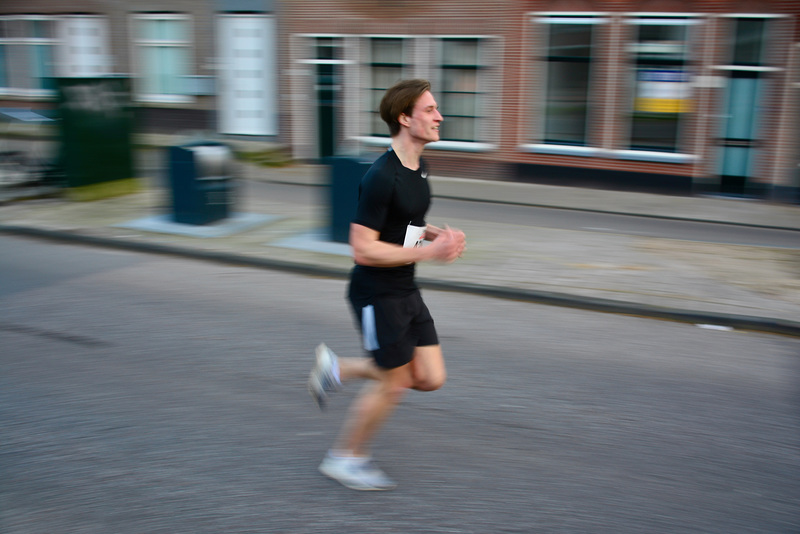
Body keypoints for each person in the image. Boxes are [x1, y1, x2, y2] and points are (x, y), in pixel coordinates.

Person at [307, 79, 466, 491]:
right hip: (377, 293)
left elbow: (405, 221)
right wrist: (430, 254)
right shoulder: (381, 176)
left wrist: (434, 236)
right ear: (404, 117)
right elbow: (362, 249)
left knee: (430, 377)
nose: (439, 117)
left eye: (436, 109)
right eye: (430, 110)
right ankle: (345, 458)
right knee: (394, 381)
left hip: (405, 287)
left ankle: (338, 369)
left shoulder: (419, 166)